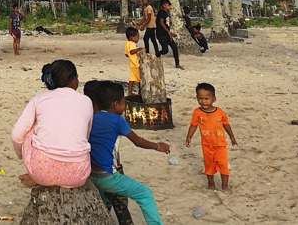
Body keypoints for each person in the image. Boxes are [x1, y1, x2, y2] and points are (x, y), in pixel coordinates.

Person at [88, 81, 169, 225]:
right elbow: (137, 141)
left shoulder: (91, 118)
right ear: (115, 104)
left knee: (104, 205)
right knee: (145, 194)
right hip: (108, 176)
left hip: (92, 175)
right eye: (123, 103)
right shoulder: (118, 120)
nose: (124, 106)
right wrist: (157, 146)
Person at [12, 59, 93, 189]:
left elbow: (16, 135)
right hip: (79, 174)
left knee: (31, 128)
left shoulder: (39, 99)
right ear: (73, 79)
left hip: (42, 172)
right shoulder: (86, 101)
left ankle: (37, 177)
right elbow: (86, 135)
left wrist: (23, 155)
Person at [186, 82, 237, 190]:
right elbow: (193, 125)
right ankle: (211, 184)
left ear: (214, 99)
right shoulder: (197, 112)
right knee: (209, 166)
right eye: (200, 98)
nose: (204, 101)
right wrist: (189, 137)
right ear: (197, 98)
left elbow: (226, 124)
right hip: (207, 146)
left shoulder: (219, 112)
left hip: (220, 145)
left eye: (207, 98)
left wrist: (232, 136)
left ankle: (225, 186)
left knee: (224, 166)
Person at [155, 0, 183, 69]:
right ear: (164, 5)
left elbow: (166, 24)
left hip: (167, 34)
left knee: (174, 48)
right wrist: (169, 32)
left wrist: (170, 33)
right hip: (161, 34)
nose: (170, 6)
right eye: (168, 5)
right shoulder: (161, 12)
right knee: (165, 50)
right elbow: (161, 23)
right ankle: (156, 55)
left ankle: (177, 64)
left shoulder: (166, 13)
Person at [124, 27, 142, 96]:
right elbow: (131, 52)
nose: (138, 39)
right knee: (139, 79)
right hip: (136, 64)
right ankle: (138, 92)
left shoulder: (127, 44)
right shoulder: (132, 44)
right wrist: (139, 49)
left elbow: (126, 54)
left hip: (132, 64)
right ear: (132, 37)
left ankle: (130, 92)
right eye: (137, 37)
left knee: (133, 78)